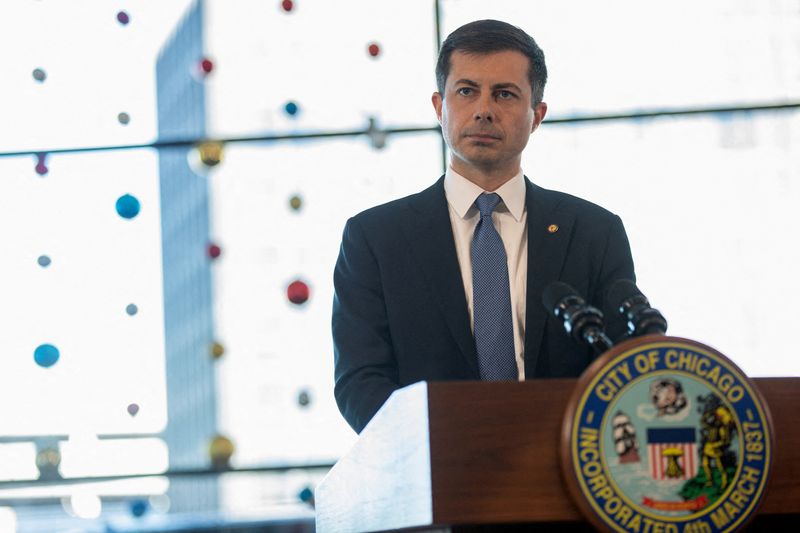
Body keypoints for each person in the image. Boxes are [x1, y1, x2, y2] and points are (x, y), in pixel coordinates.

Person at [332, 19, 635, 434]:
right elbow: (359, 381)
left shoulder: (594, 232)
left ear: (537, 115)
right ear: (440, 107)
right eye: (466, 91)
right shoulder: (375, 238)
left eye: (505, 94)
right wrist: (444, 449)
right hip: (438, 476)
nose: (484, 109)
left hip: (566, 469)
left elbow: (623, 367)